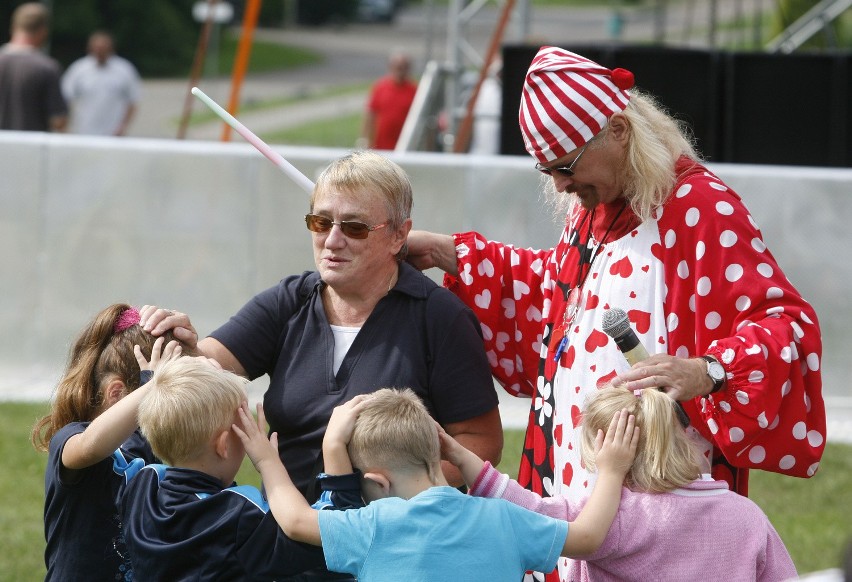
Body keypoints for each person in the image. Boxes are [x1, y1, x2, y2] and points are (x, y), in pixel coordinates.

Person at [405, 46, 825, 579]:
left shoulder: (698, 209)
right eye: (547, 169)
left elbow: (787, 326)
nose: (557, 184)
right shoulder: (596, 210)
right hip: (571, 484)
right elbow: (554, 299)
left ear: (619, 132)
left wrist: (708, 371)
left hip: (658, 505)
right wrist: (453, 253)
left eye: (564, 165)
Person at [139, 150, 503, 504]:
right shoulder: (287, 301)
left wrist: (400, 493)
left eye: (354, 227)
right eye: (321, 222)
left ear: (398, 235)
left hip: (388, 541)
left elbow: (481, 442)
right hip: (284, 542)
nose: (332, 240)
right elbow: (208, 367)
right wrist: (184, 345)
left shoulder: (440, 318)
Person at [233, 388, 639, 581]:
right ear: (440, 453)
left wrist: (267, 459)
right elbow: (588, 538)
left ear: (376, 482)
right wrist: (612, 470)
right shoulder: (503, 518)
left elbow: (294, 521)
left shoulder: (375, 525)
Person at [442, 385, 798, 581]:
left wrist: (459, 456)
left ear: (612, 455)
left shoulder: (610, 518)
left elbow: (531, 510)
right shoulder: (746, 516)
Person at [119, 356, 329, 580]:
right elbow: (322, 537)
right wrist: (271, 464)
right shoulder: (238, 515)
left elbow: (135, 441)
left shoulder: (142, 486)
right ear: (223, 445)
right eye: (244, 427)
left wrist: (149, 384)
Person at [30, 304, 188, 581]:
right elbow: (91, 445)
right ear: (117, 392)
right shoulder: (69, 438)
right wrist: (153, 384)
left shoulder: (151, 442)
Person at [0, 2, 66, 132]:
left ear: (13, 27)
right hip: (30, 148)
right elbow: (59, 121)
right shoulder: (47, 68)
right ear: (43, 31)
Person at [61, 31, 140, 136]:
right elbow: (66, 97)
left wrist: (123, 126)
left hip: (113, 133)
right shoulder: (78, 69)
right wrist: (65, 125)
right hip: (83, 132)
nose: (99, 51)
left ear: (111, 48)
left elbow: (133, 100)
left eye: (103, 48)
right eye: (97, 48)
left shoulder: (124, 69)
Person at [359, 49, 417, 150]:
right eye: (398, 67)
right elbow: (370, 114)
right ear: (391, 67)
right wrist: (364, 139)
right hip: (380, 146)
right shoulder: (380, 87)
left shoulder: (415, 90)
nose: (401, 70)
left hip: (405, 146)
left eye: (404, 67)